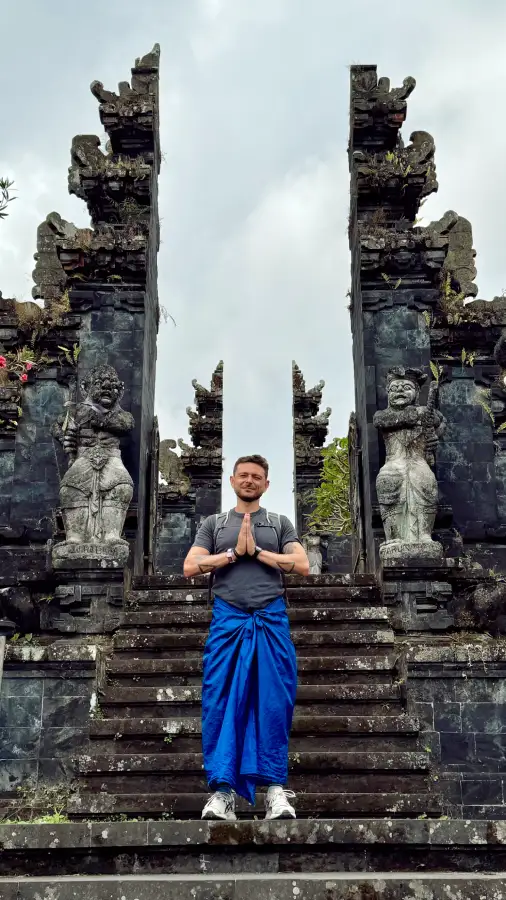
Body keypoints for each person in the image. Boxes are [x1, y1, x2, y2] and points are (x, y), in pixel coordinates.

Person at [183, 454, 309, 822]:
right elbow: (191, 567)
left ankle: (273, 790)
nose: (250, 481)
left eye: (257, 476)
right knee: (220, 702)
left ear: (267, 484)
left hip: (270, 619)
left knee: (273, 702)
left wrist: (259, 553)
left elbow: (301, 565)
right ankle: (222, 793)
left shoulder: (279, 523)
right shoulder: (214, 524)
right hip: (228, 621)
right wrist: (232, 554)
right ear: (232, 481)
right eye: (244, 475)